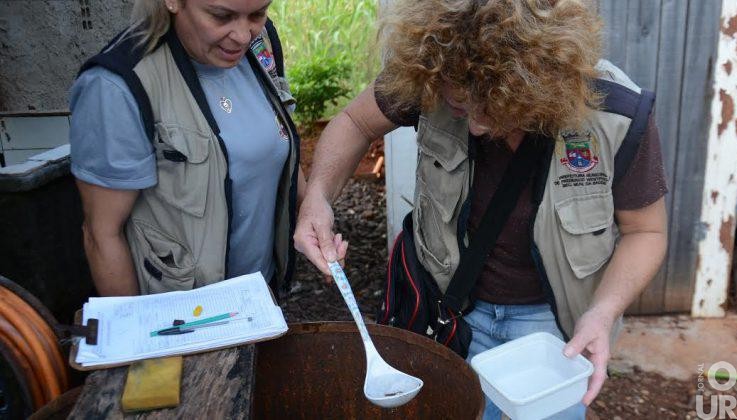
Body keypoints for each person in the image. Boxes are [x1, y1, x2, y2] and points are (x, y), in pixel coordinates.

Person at [295, 0, 667, 418]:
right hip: (450, 315)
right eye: (459, 107)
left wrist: (602, 312)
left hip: (553, 330)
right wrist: (318, 197)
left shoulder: (615, 113)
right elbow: (356, 122)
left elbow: (646, 232)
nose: (473, 126)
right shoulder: (435, 69)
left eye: (492, 108)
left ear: (538, 81)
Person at [69, 0, 322, 297]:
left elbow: (280, 146)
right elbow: (102, 234)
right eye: (221, 16)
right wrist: (142, 335)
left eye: (257, 13)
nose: (243, 35)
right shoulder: (116, 87)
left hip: (259, 298)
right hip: (182, 317)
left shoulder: (261, 44)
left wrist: (313, 212)